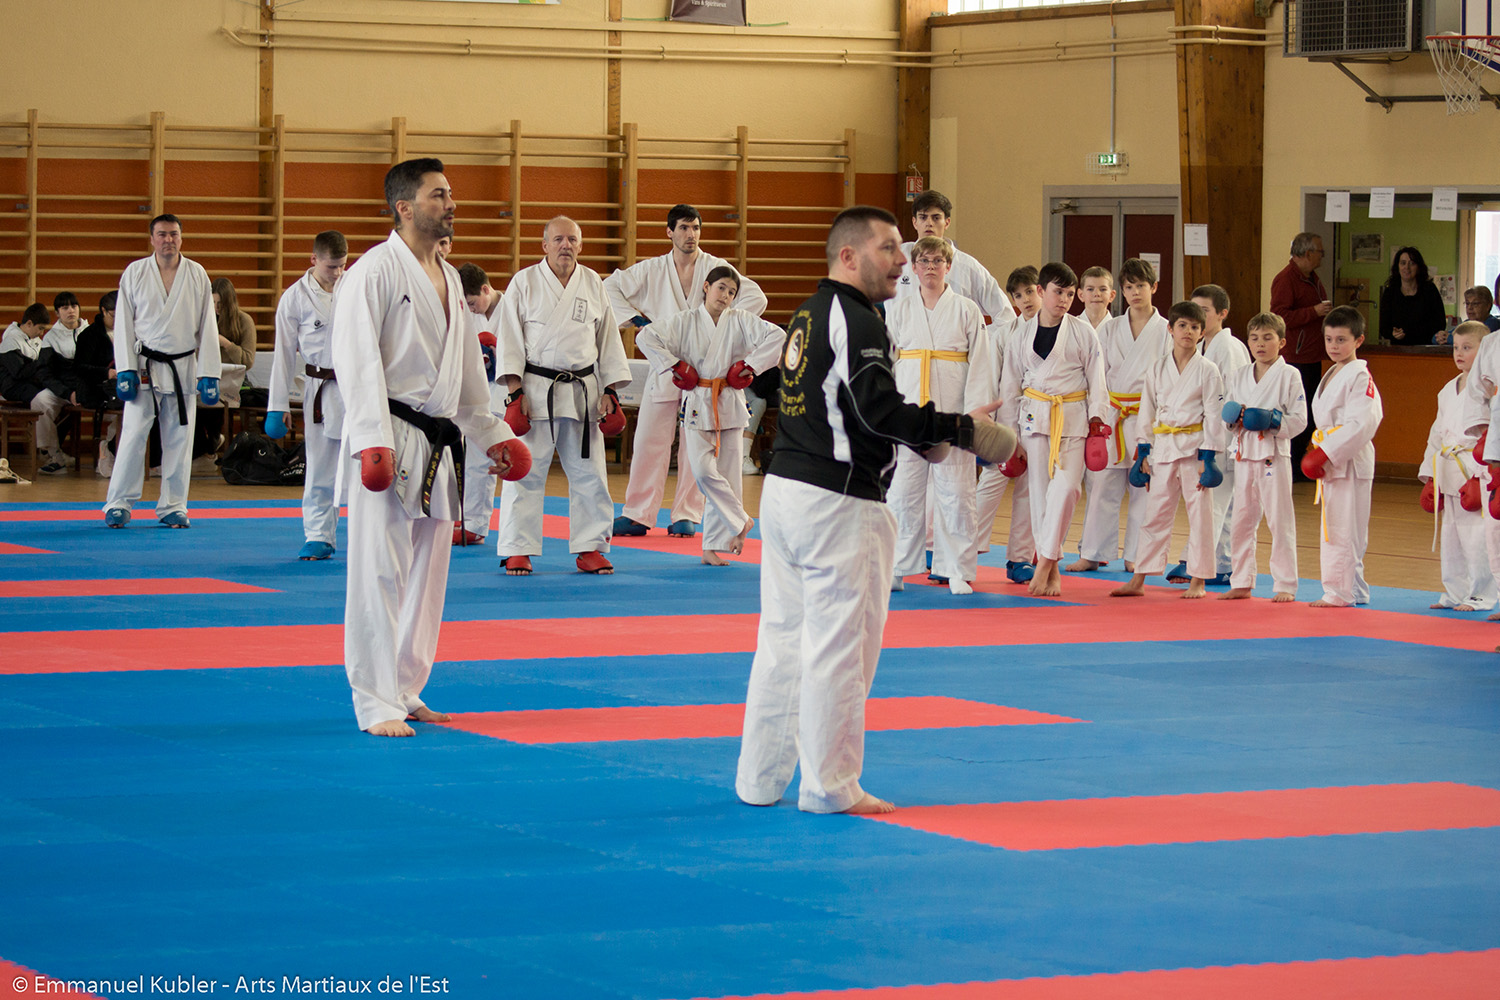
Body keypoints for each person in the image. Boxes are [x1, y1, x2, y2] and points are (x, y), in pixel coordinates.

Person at [734, 205, 1016, 815]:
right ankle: (830, 786)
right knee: (842, 647)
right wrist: (960, 429)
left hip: (786, 493)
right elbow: (877, 410)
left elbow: (830, 403)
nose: (901, 259)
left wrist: (931, 433)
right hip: (837, 502)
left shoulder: (810, 312)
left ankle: (759, 779)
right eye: (887, 248)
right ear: (848, 256)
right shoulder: (857, 318)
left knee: (783, 640)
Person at [332, 157, 528, 737]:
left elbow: (465, 375)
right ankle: (374, 701)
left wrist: (492, 434)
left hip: (439, 439)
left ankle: (405, 687)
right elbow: (356, 360)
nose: (451, 203)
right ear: (405, 207)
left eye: (449, 194)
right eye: (438, 195)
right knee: (379, 570)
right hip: (391, 437)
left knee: (427, 576)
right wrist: (371, 439)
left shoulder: (446, 277)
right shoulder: (373, 272)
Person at [606, 204, 767, 538]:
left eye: (695, 228)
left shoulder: (716, 268)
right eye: (683, 228)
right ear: (669, 232)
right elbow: (610, 287)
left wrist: (722, 322)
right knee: (649, 438)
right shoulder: (651, 270)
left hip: (705, 368)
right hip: (667, 364)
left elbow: (756, 297)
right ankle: (638, 513)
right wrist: (636, 320)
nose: (690, 234)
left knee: (697, 443)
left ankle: (686, 513)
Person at [495, 215, 631, 576]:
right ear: (544, 245)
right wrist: (515, 393)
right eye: (558, 239)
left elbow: (608, 339)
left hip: (584, 392)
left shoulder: (593, 283)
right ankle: (518, 548)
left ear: (580, 245)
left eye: (572, 239)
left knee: (591, 473)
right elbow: (509, 339)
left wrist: (610, 390)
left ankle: (591, 547)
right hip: (536, 391)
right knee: (525, 470)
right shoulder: (524, 282)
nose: (565, 245)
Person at [635, 266, 784, 565]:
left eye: (732, 292)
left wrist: (750, 366)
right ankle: (741, 519)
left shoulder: (740, 320)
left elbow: (777, 336)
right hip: (697, 399)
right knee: (702, 471)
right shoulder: (684, 321)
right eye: (721, 288)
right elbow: (646, 337)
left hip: (729, 400)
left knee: (729, 474)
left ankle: (713, 548)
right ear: (706, 287)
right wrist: (675, 365)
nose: (725, 296)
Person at [884, 236, 994, 594]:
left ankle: (956, 569)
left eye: (937, 261)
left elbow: (981, 363)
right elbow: (885, 361)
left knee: (957, 492)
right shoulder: (898, 309)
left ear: (948, 266)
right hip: (909, 409)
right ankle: (897, 566)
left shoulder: (967, 309)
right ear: (914, 268)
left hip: (953, 410)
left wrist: (975, 413)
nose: (931, 267)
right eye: (924, 261)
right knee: (902, 492)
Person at [996, 261, 1109, 597]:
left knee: (1068, 490)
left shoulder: (1083, 332)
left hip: (1072, 421)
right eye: (1058, 292)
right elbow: (1009, 386)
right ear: (1041, 291)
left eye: (1070, 294)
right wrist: (1010, 436)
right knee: (1040, 498)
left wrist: (1097, 424)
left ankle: (1044, 562)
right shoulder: (1020, 335)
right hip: (1033, 421)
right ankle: (1054, 569)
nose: (1064, 300)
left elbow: (1097, 381)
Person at [102, 213, 219, 527]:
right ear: (152, 239)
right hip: (145, 365)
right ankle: (118, 503)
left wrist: (209, 371)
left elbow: (208, 324)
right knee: (133, 435)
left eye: (174, 234)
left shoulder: (196, 273)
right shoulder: (136, 272)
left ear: (181, 237)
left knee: (180, 438)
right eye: (163, 234)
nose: (169, 240)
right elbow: (123, 324)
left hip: (183, 366)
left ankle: (173, 506)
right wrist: (125, 368)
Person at [1109, 301, 1227, 600]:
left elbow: (1214, 415)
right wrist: (1143, 451)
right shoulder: (1157, 367)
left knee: (1200, 516)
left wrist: (1209, 456)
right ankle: (1139, 578)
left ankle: (1198, 580)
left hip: (1194, 451)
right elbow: (1147, 410)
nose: (1188, 332)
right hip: (1162, 449)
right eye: (1182, 326)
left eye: (1195, 327)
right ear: (1170, 329)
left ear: (1202, 333)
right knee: (1155, 514)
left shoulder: (1208, 370)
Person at [1070, 258, 1166, 574]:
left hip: (1147, 416)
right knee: (1102, 485)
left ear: (1153, 287)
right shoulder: (1110, 329)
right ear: (1121, 292)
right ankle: (1093, 552)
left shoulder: (1166, 330)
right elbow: (1097, 375)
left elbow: (1169, 377)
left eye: (1141, 286)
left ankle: (1137, 555)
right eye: (1129, 287)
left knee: (1143, 487)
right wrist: (1096, 416)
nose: (1135, 292)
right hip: (1113, 413)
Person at [266, 230, 348, 561]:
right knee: (320, 465)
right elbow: (284, 354)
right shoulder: (294, 298)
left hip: (358, 386)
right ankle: (318, 534)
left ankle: (371, 534)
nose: (337, 273)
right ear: (313, 259)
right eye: (331, 266)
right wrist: (277, 405)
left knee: (369, 465)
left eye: (342, 265)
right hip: (319, 389)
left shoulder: (356, 288)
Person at [1165, 284, 1250, 585]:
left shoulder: (1228, 348)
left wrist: (1219, 435)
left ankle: (1194, 561)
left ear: (1222, 313)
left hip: (1224, 435)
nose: (1197, 316)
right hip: (1206, 434)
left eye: (1204, 311)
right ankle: (1221, 564)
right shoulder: (1203, 348)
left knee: (1214, 502)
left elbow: (1233, 397)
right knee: (1220, 503)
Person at [1220, 313, 1308, 603]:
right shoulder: (1240, 374)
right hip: (1244, 454)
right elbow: (1228, 416)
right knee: (1241, 520)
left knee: (1279, 520)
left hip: (1273, 455)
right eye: (1255, 338)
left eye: (1267, 338)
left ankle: (1285, 584)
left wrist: (1273, 421)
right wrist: (1233, 419)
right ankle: (1241, 581)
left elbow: (1300, 420)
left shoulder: (1289, 375)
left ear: (1281, 342)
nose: (1260, 344)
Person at [1302, 306, 1384, 608]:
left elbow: (1363, 423)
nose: (1334, 346)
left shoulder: (1360, 376)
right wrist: (1322, 451)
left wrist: (1326, 453)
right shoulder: (1334, 372)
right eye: (1329, 339)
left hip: (1347, 459)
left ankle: (1339, 592)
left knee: (1344, 528)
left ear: (1358, 340)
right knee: (1339, 526)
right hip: (1332, 456)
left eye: (1341, 340)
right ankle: (1354, 589)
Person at [1420, 321, 1493, 611]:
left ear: (1485, 350)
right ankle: (1454, 591)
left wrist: (1482, 473)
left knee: (1477, 536)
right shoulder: (1448, 389)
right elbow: (1436, 432)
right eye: (1455, 348)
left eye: (1467, 347)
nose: (1459, 353)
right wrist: (1430, 476)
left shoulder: (1490, 388)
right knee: (1451, 535)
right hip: (1449, 467)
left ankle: (1481, 594)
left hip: (1475, 467)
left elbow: (1491, 433)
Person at [973, 266, 1038, 584]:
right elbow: (990, 379)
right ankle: (961, 552)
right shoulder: (1002, 334)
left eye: (1030, 291)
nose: (1025, 299)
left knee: (1030, 491)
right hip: (1005, 419)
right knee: (989, 485)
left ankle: (1021, 559)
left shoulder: (1059, 329)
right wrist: (988, 423)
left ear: (1041, 291)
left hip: (1041, 420)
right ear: (1012, 300)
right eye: (1018, 295)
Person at [893, 192, 1017, 335]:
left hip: (952, 347)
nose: (929, 223)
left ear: (947, 222)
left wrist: (976, 339)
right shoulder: (895, 258)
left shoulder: (967, 267)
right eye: (923, 217)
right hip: (901, 347)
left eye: (936, 218)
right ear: (914, 222)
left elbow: (1007, 318)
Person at [1269, 233, 1332, 478]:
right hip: (1296, 357)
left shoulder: (1312, 278)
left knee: (1312, 414)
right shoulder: (1286, 279)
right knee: (1297, 413)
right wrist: (1313, 312)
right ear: (1307, 253)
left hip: (1312, 355)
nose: (1322, 257)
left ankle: (1297, 464)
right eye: (1320, 252)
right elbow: (1279, 317)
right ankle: (1292, 466)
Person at [455, 261, 506, 546]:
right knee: (475, 458)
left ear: (486, 289)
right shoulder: (468, 314)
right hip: (477, 393)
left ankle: (479, 522)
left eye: (473, 302)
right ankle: (472, 522)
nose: (471, 309)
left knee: (493, 460)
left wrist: (499, 350)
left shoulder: (513, 310)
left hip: (507, 393)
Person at [0, 303, 74, 475]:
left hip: (31, 384)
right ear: (29, 323)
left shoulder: (36, 341)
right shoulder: (10, 340)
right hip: (12, 387)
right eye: (40, 328)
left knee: (66, 399)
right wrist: (42, 365)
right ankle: (51, 452)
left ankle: (53, 448)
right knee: (43, 400)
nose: (41, 333)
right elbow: (19, 372)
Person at [196, 277, 256, 463]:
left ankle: (211, 444)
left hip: (234, 381)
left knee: (216, 403)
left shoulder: (244, 320)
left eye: (220, 304)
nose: (216, 308)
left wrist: (226, 344)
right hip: (207, 378)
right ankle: (205, 448)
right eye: (212, 303)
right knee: (193, 402)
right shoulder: (204, 320)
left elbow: (248, 361)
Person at [75, 292, 122, 476]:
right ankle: (109, 449)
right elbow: (80, 367)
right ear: (103, 311)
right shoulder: (89, 335)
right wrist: (106, 372)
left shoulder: (128, 332)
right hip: (95, 387)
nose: (117, 320)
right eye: (114, 315)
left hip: (119, 385)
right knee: (126, 405)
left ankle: (113, 447)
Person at [1380, 246, 1447, 346]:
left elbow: (1440, 323)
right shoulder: (1390, 292)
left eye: (1412, 263)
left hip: (1426, 348)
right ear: (1397, 267)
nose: (1407, 267)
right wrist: (1392, 333)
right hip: (1398, 349)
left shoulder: (1430, 290)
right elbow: (1383, 327)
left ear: (1418, 267)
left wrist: (1418, 334)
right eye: (1403, 263)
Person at [1077, 266, 1116, 331]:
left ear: (1111, 295)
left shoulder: (1119, 329)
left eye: (1103, 289)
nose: (1097, 294)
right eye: (1090, 289)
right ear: (1081, 295)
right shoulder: (1070, 327)